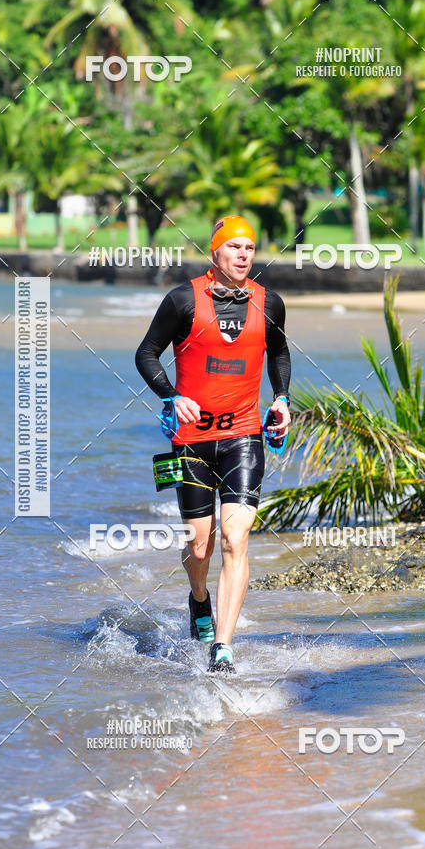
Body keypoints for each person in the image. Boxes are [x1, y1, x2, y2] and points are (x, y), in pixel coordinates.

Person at [135, 215, 291, 673]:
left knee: (234, 537)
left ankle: (222, 646)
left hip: (243, 435)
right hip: (190, 441)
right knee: (199, 547)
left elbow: (278, 353)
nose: (244, 254)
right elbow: (146, 353)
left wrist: (281, 399)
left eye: (250, 247)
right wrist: (170, 395)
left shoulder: (270, 303)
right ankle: (198, 599)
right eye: (234, 247)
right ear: (215, 252)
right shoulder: (182, 300)